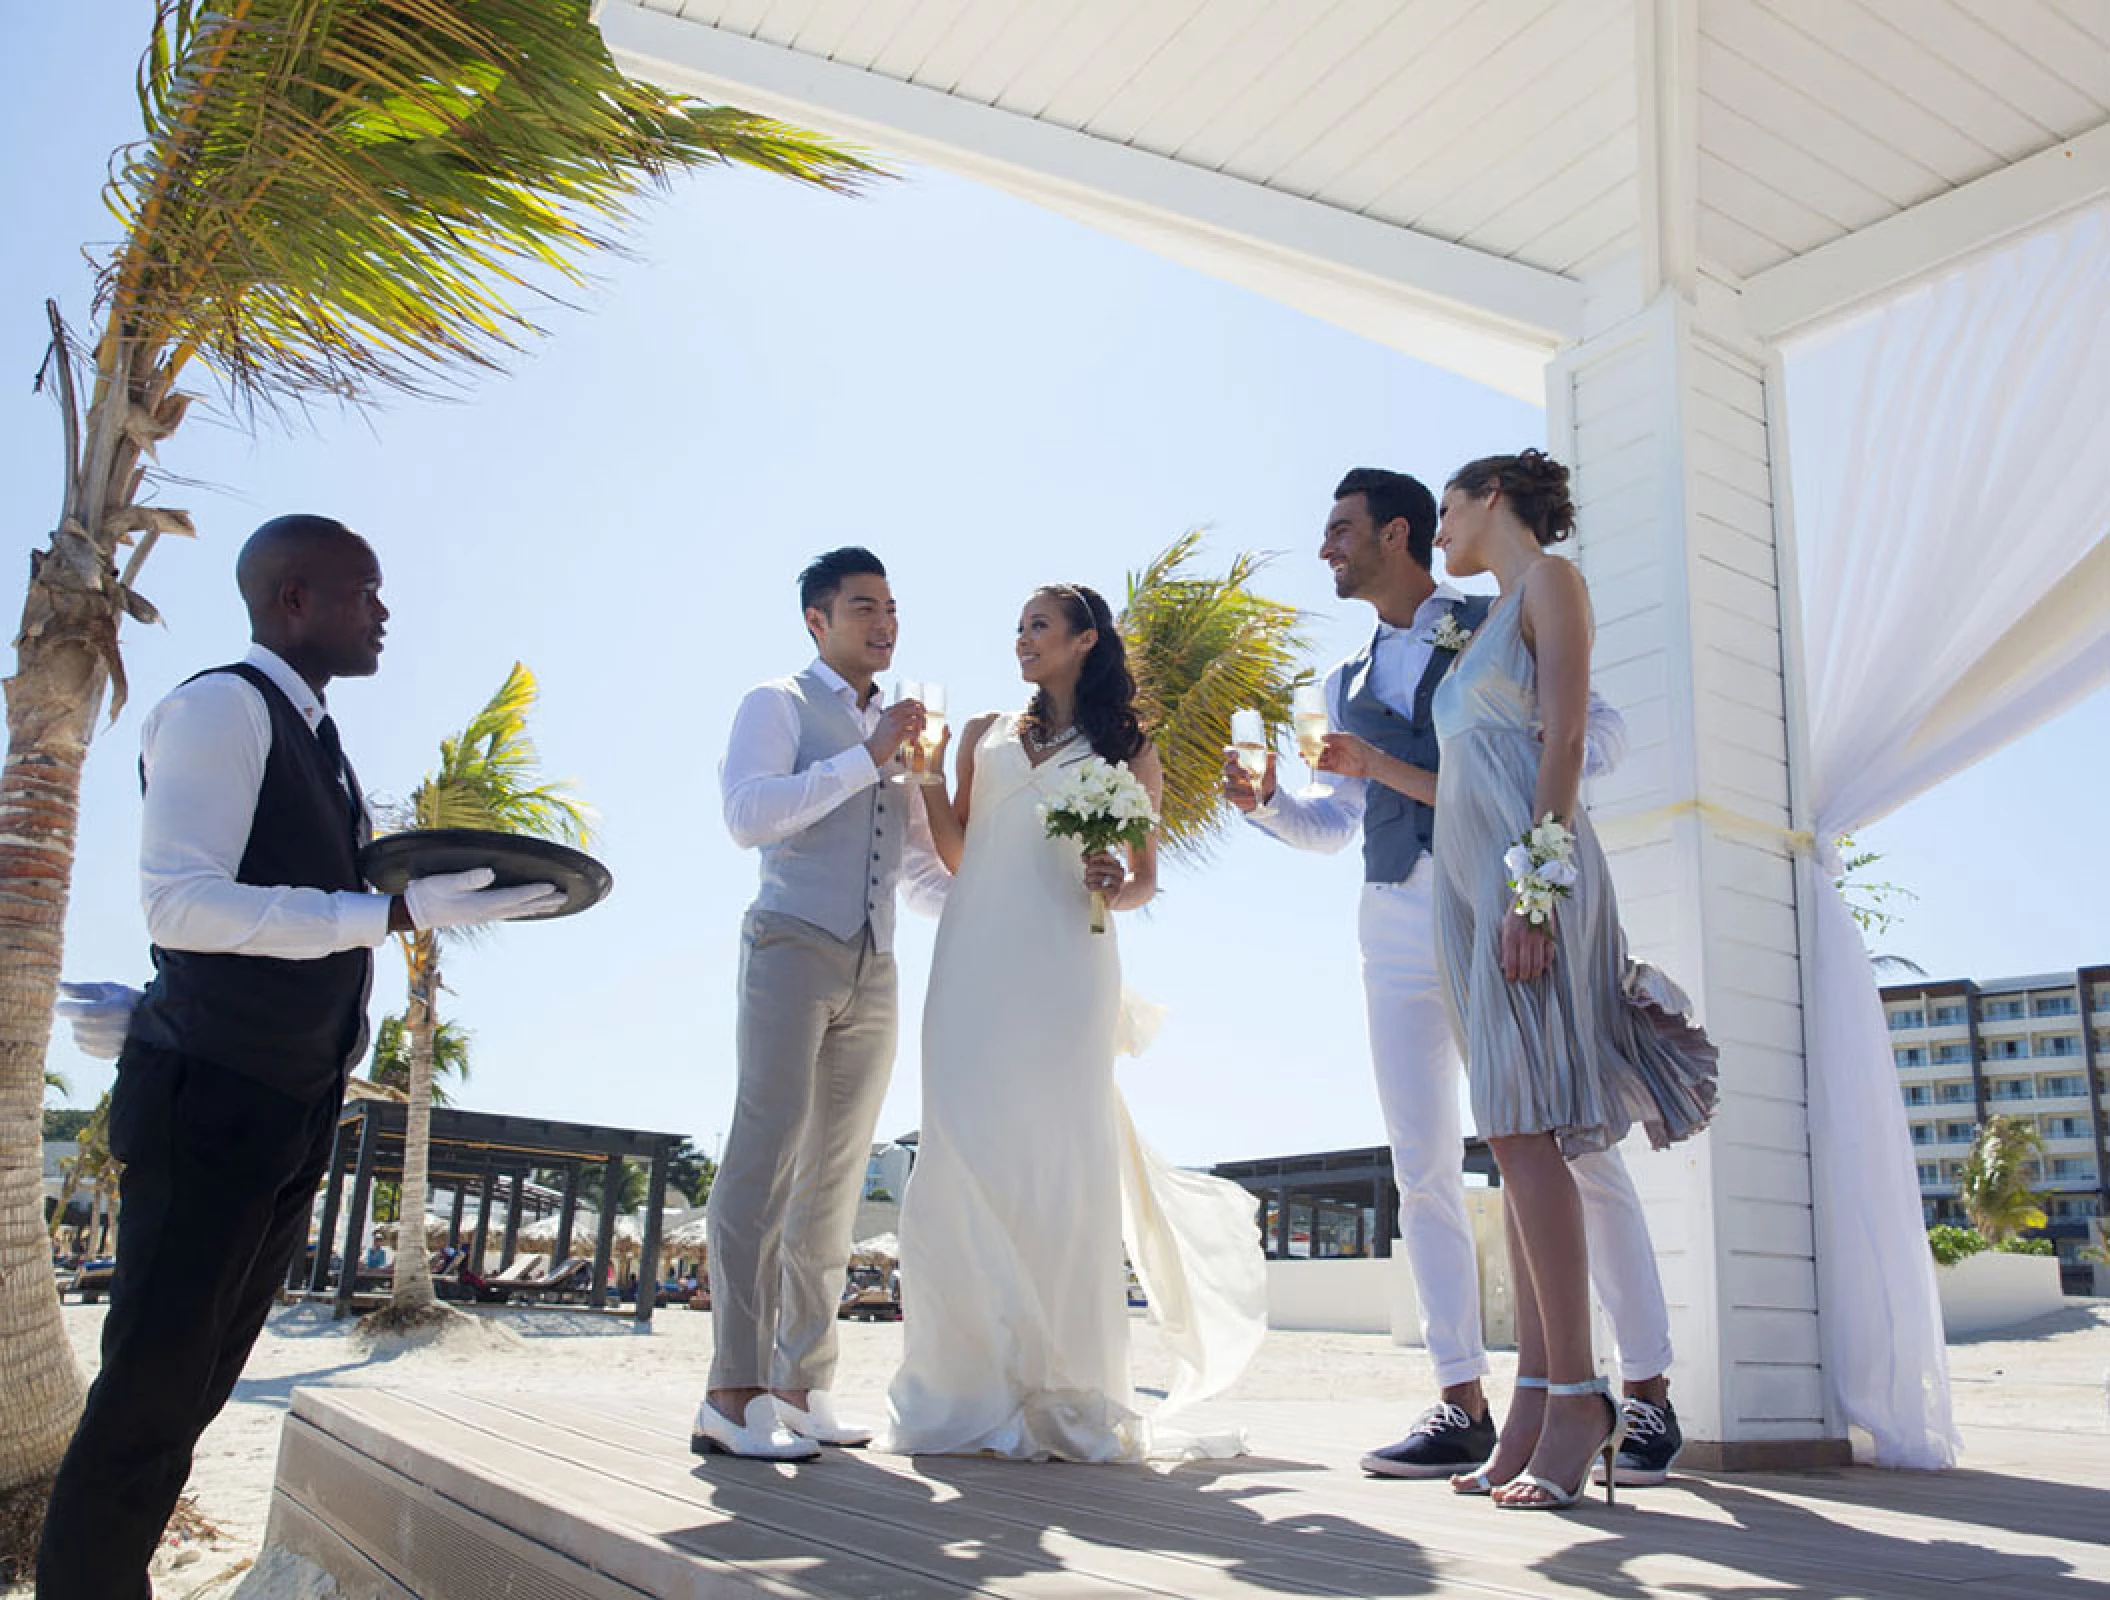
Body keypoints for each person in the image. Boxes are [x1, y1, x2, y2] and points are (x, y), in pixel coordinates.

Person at [37, 514, 562, 1600]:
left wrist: (432, 902)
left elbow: (279, 910)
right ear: (293, 598)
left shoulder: (317, 735)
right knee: (146, 1397)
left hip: (283, 1101)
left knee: (191, 1396)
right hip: (212, 1103)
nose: (383, 612)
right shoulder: (220, 706)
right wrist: (391, 911)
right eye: (363, 591)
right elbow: (182, 902)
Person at [1224, 467, 1687, 1488]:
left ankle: (1642, 1392)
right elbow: (1334, 821)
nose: (1324, 548)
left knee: (1570, 1145)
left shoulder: (1497, 612)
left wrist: (1523, 830)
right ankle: (1461, 1397)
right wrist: (1263, 804)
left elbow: (1588, 732)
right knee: (1421, 1163)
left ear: (1397, 534)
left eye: (1339, 528)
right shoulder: (1338, 680)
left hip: (1494, 888)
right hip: (1396, 912)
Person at [885, 583, 1266, 1461]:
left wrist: (1110, 880)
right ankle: (960, 1384)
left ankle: (1061, 1380)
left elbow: (1142, 880)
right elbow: (957, 853)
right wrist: (932, 778)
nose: (1021, 638)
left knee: (1057, 1154)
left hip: (1065, 960)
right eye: (1017, 625)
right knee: (960, 1142)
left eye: (1039, 626)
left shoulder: (1129, 749)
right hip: (975, 955)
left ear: (1085, 640)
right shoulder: (984, 731)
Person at [1429, 450, 1717, 1510]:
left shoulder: (1551, 583)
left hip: (1526, 880)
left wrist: (1532, 889)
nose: (1440, 526)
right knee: (1507, 1135)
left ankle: (1580, 1397)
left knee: (1533, 1129)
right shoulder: (1482, 624)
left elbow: (1558, 745)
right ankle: (1535, 1397)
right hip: (1466, 894)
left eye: (1448, 506)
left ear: (1491, 498)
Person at [699, 547, 935, 1461]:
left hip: (875, 962)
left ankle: (801, 1386)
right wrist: (864, 759)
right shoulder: (777, 703)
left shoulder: (899, 722)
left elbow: (912, 866)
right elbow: (746, 815)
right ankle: (731, 1389)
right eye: (864, 606)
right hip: (792, 942)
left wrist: (1008, 914)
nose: (884, 623)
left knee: (836, 1181)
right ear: (817, 620)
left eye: (891, 608)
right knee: (762, 1162)